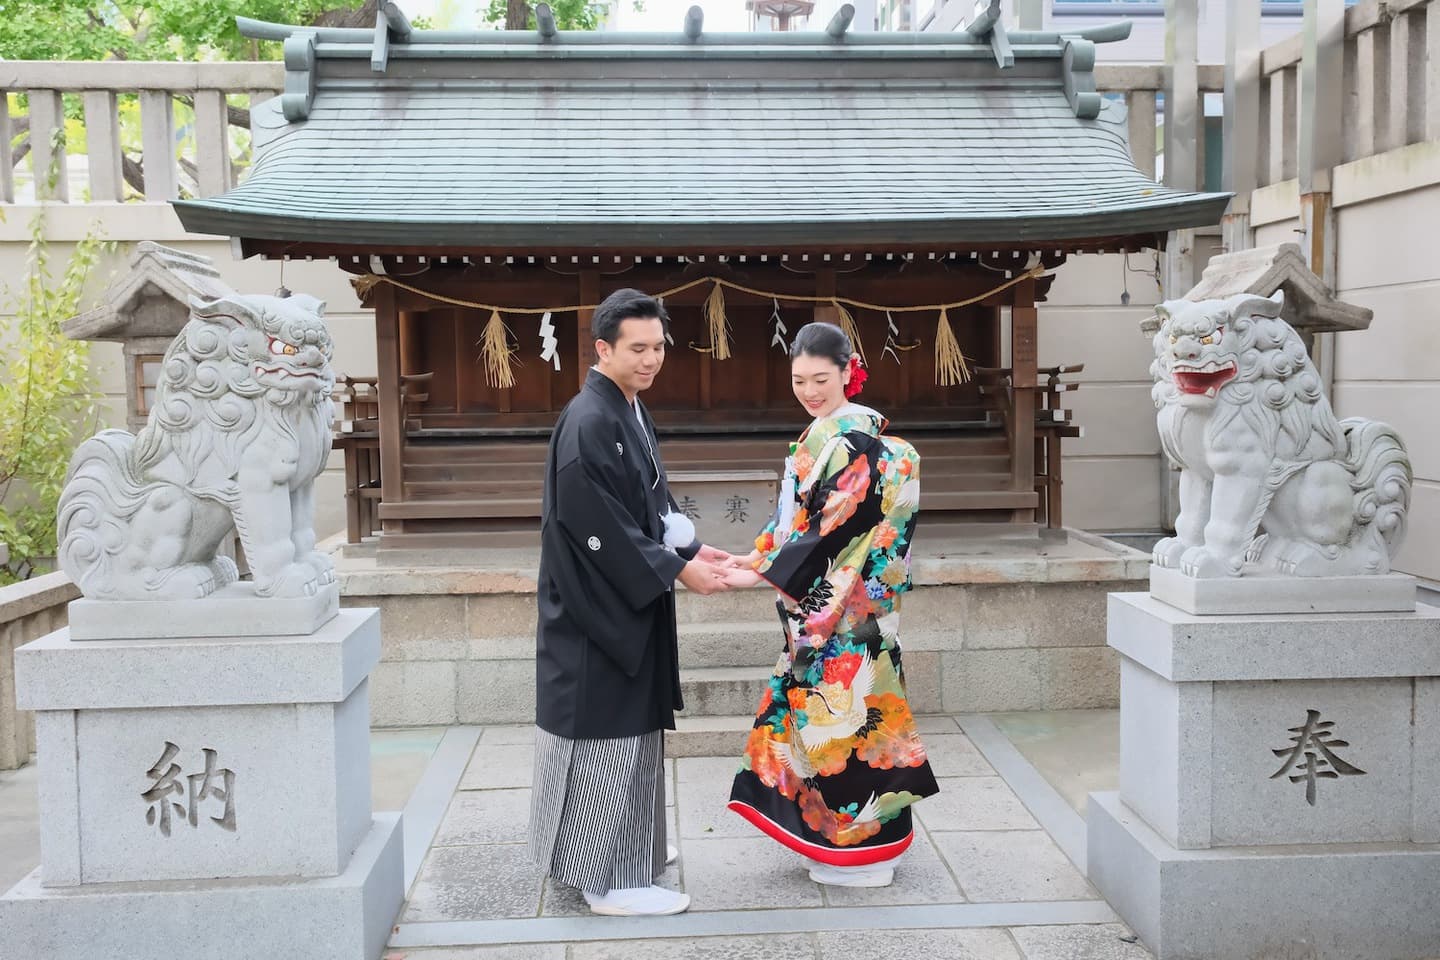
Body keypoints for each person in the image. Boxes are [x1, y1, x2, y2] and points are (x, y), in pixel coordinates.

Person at [526, 288, 733, 917]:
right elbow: (602, 528)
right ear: (602, 349)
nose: (651, 359)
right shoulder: (592, 419)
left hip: (623, 607)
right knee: (603, 738)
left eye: (658, 346)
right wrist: (676, 572)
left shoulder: (627, 411)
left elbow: (652, 507)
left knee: (631, 737)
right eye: (637, 348)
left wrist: (694, 550)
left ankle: (622, 855)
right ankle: (605, 880)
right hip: (596, 615)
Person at [722, 321, 939, 888]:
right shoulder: (831, 439)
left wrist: (768, 569)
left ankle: (861, 856)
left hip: (841, 610)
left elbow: (833, 532)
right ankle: (855, 844)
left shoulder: (853, 444)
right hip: (845, 605)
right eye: (799, 380)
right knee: (848, 726)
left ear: (849, 372)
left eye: (822, 378)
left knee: (845, 728)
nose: (810, 390)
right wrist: (758, 555)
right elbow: (797, 523)